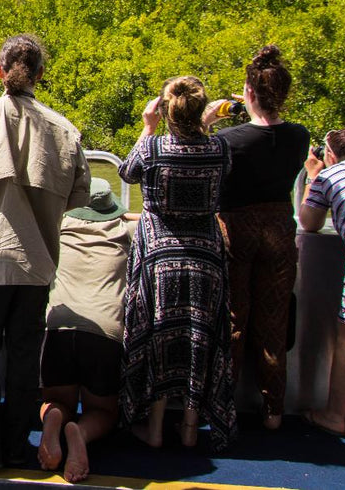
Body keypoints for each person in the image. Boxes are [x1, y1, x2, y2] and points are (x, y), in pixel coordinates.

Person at [0, 34, 91, 470]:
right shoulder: (64, 130)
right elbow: (79, 196)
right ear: (40, 75)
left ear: (0, 72)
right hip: (38, 266)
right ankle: (13, 445)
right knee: (25, 362)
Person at [119, 76, 237, 450]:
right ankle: (189, 428)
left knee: (159, 338)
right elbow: (209, 155)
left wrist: (147, 126)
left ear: (165, 110)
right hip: (206, 259)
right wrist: (205, 126)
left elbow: (126, 171)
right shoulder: (219, 149)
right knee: (198, 338)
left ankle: (153, 429)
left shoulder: (152, 148)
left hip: (159, 259)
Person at [203, 45, 309, 430]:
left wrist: (208, 120)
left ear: (248, 92)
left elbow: (199, 154)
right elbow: (272, 131)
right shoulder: (299, 136)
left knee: (233, 318)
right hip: (280, 228)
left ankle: (223, 403)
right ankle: (273, 411)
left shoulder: (230, 140)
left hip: (236, 229)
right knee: (274, 321)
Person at [38, 178, 135, 483]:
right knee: (105, 411)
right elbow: (146, 219)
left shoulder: (57, 228)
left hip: (59, 326)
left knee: (56, 400)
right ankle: (80, 432)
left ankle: (54, 418)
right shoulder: (124, 230)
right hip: (103, 331)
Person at [299, 128, 345, 436]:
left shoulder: (330, 176)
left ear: (329, 154)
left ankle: (334, 415)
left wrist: (313, 176)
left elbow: (309, 222)